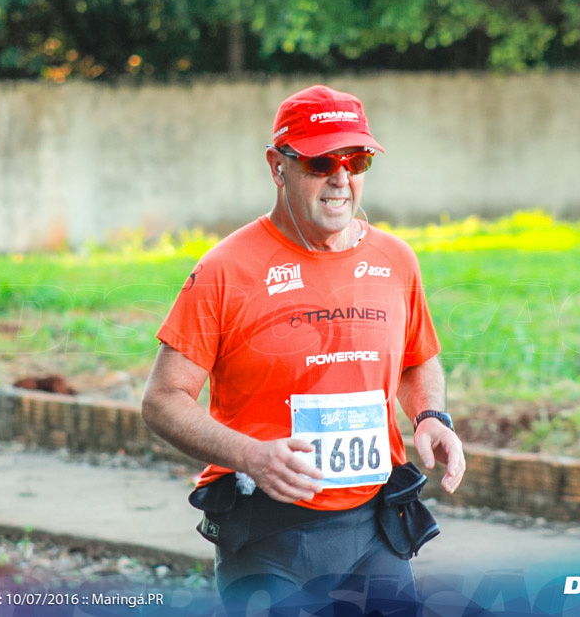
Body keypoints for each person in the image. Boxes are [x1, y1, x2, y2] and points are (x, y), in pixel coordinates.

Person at [141, 84, 465, 614]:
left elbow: (418, 357)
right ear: (278, 164)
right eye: (320, 161)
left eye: (356, 160)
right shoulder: (226, 269)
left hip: (375, 529)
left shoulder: (395, 258)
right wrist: (249, 455)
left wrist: (431, 416)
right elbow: (162, 399)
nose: (341, 178)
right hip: (269, 536)